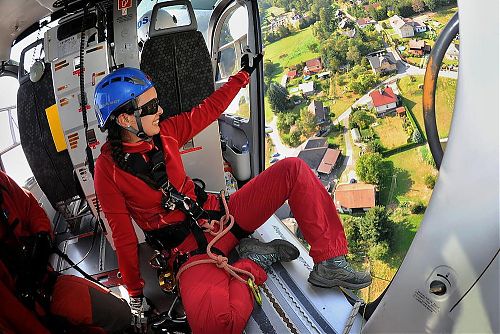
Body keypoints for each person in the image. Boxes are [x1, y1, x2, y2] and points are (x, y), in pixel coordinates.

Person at [93, 55, 372, 334]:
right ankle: (253, 262)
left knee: (293, 170)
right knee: (216, 328)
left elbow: (209, 109)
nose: (161, 110)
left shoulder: (165, 132)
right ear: (126, 118)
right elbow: (124, 238)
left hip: (223, 215)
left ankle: (331, 262)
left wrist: (242, 76)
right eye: (152, 106)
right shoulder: (108, 171)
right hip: (190, 251)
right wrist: (135, 295)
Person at [0, 170, 132, 333]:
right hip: (25, 318)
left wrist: (42, 237)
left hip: (48, 285)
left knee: (121, 313)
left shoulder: (2, 181)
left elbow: (31, 208)